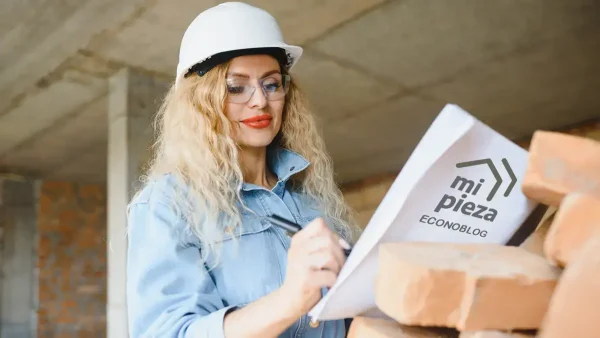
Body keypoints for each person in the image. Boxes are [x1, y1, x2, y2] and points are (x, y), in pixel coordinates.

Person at [126, 2, 360, 337]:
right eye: (236, 87)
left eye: (271, 84)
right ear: (201, 102)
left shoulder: (311, 200)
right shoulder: (168, 206)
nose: (260, 102)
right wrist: (290, 300)